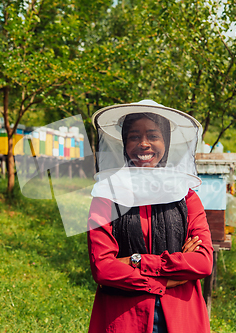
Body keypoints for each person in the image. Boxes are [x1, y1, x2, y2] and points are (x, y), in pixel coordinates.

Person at [87, 103, 214, 333]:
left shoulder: (186, 195)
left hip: (181, 316)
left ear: (165, 142)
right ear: (124, 144)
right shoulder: (106, 196)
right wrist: (164, 280)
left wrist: (136, 261)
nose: (143, 143)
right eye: (134, 136)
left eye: (153, 136)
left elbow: (203, 262)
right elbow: (103, 268)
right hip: (124, 318)